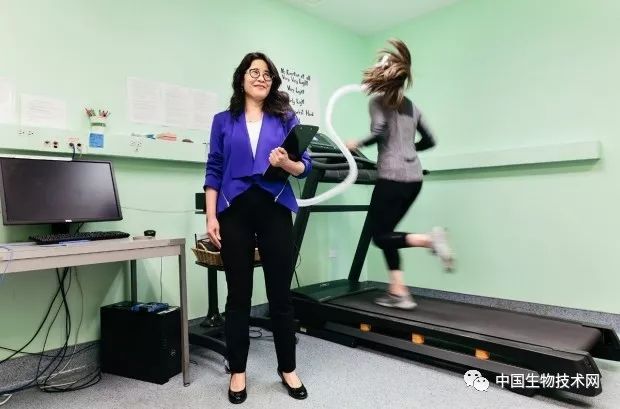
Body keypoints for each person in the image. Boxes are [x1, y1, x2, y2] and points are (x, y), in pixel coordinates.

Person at [203, 52, 310, 404]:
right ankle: (238, 370)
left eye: (267, 73)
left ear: (272, 81)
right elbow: (214, 168)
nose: (261, 77)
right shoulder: (222, 121)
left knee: (280, 294)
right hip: (234, 210)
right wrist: (211, 216)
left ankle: (287, 368)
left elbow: (305, 166)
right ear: (241, 78)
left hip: (274, 207)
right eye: (254, 72)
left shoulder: (285, 118)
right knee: (238, 296)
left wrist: (287, 163)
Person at [346, 39, 455, 311]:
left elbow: (380, 130)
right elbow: (430, 140)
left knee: (379, 236)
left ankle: (429, 240)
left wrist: (357, 143)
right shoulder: (412, 107)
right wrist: (409, 148)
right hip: (414, 180)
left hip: (392, 178)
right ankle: (399, 292)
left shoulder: (377, 102)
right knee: (387, 232)